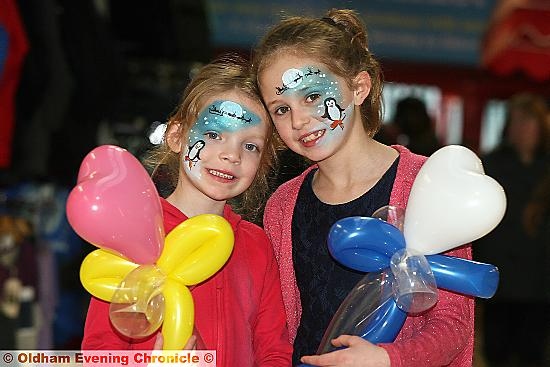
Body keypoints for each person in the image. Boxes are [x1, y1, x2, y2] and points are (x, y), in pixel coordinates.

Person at [251, 9, 474, 367]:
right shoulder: (282, 205)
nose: (299, 120)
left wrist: (388, 358)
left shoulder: (425, 185)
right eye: (280, 109)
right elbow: (279, 327)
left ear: (359, 88)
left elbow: (453, 322)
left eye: (311, 97)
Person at [81, 55, 293, 367]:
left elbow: (274, 351)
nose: (230, 155)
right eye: (214, 135)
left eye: (250, 146)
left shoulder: (258, 245)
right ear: (177, 136)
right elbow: (99, 351)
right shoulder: (135, 236)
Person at [475, 92, 549, 367]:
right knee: (497, 350)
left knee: (532, 352)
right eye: (516, 121)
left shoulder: (546, 168)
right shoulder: (492, 165)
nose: (522, 128)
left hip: (540, 282)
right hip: (501, 277)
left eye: (528, 121)